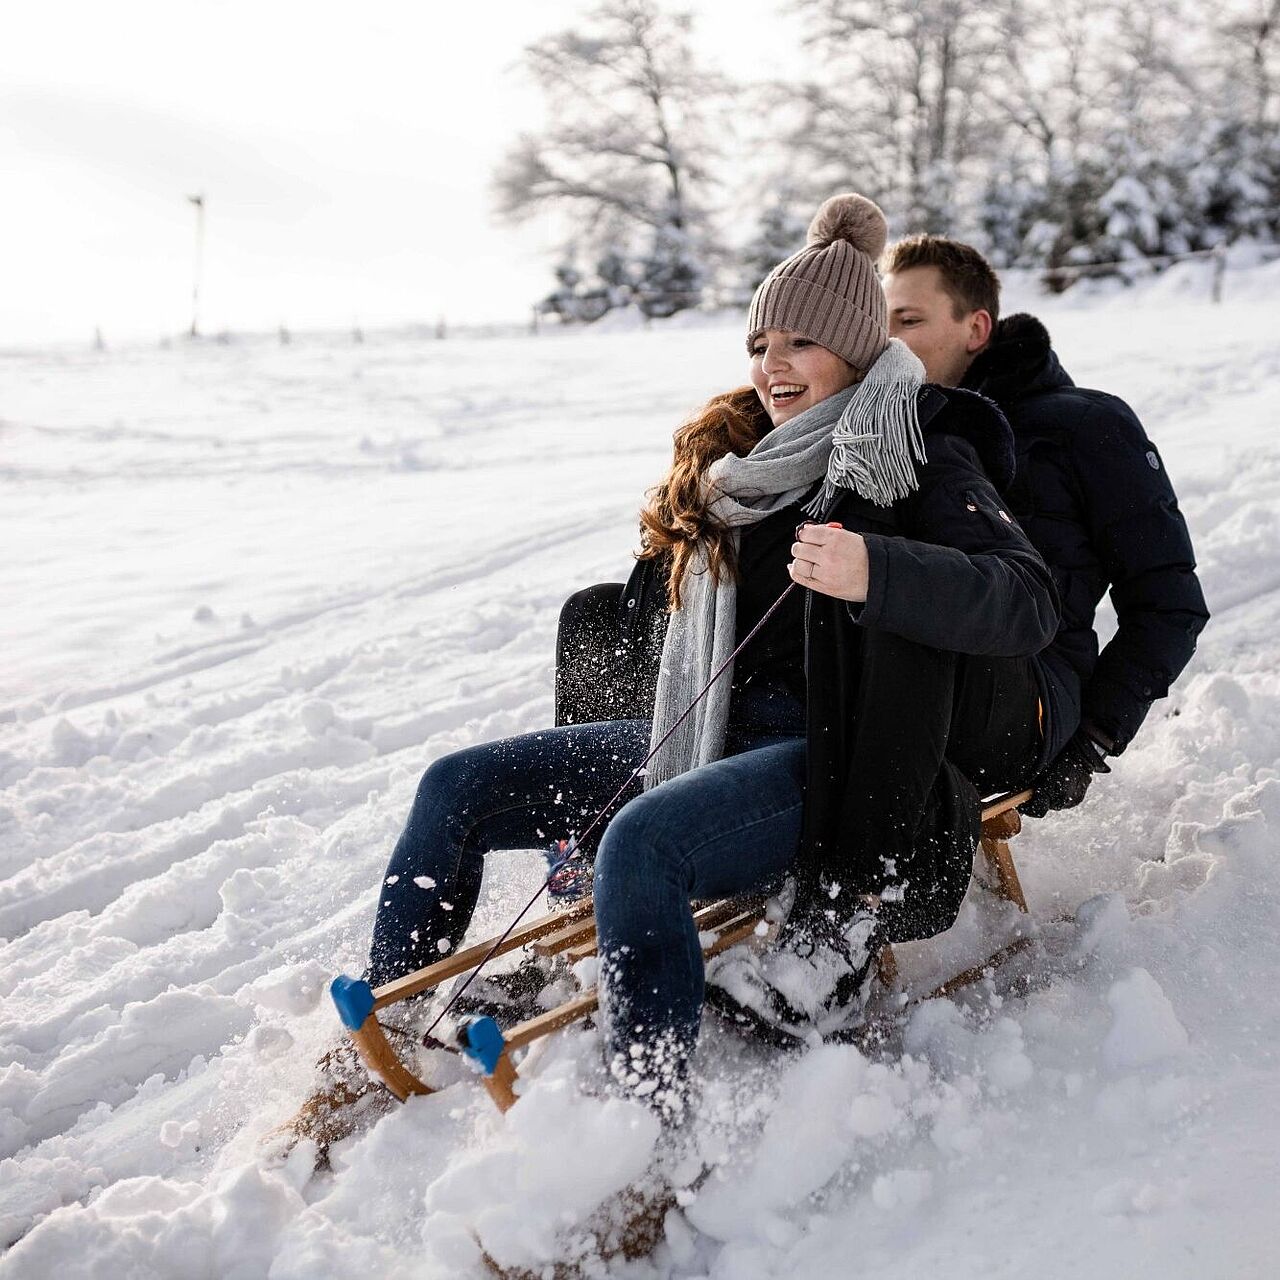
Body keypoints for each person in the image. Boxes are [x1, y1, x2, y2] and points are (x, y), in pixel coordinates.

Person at [363, 194, 1059, 1120]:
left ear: (854, 350)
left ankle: (644, 1114)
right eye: (760, 344)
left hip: (836, 754)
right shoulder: (743, 472)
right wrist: (681, 539)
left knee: (643, 842)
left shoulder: (918, 449)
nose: (773, 365)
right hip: (708, 729)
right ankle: (392, 1018)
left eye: (800, 343)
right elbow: (665, 631)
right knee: (455, 786)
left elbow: (1027, 598)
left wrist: (877, 566)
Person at [880, 238, 1209, 815]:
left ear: (976, 328)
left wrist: (1094, 737)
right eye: (880, 323)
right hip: (920, 687)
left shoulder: (1086, 426)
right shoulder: (892, 432)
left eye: (909, 320)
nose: (888, 341)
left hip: (1031, 690)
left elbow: (1168, 602)